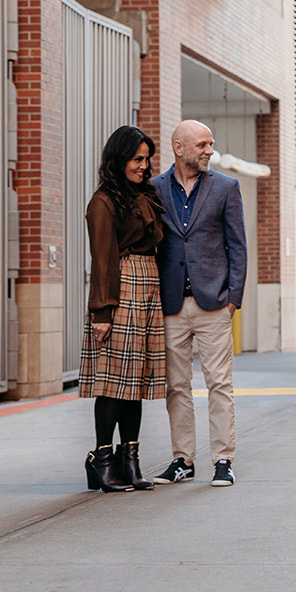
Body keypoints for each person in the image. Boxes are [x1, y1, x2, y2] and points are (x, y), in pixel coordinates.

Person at [150, 120, 248, 488]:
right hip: (171, 303)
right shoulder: (154, 189)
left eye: (211, 145)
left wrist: (232, 300)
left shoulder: (226, 187)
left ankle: (223, 459)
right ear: (179, 148)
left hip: (213, 304)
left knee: (220, 384)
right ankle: (182, 460)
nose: (209, 151)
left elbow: (238, 246)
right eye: (202, 145)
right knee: (176, 386)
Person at [82, 125, 168, 493]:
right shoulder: (103, 202)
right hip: (121, 289)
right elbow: (102, 260)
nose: (144, 166)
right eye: (137, 159)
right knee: (114, 383)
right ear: (119, 160)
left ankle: (129, 460)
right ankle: (102, 460)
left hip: (149, 288)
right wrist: (102, 312)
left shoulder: (143, 195)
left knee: (137, 383)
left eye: (147, 159)